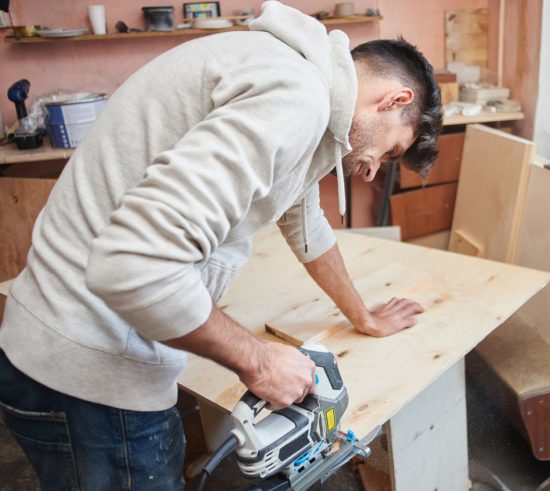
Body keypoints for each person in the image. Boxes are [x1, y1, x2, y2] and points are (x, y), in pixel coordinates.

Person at [0, 1, 442, 489]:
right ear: (394, 100)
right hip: (92, 373)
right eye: (391, 150)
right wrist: (259, 361)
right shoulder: (295, 96)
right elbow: (136, 265)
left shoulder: (292, 76)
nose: (373, 167)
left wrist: (361, 315)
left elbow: (303, 217)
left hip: (59, 344)